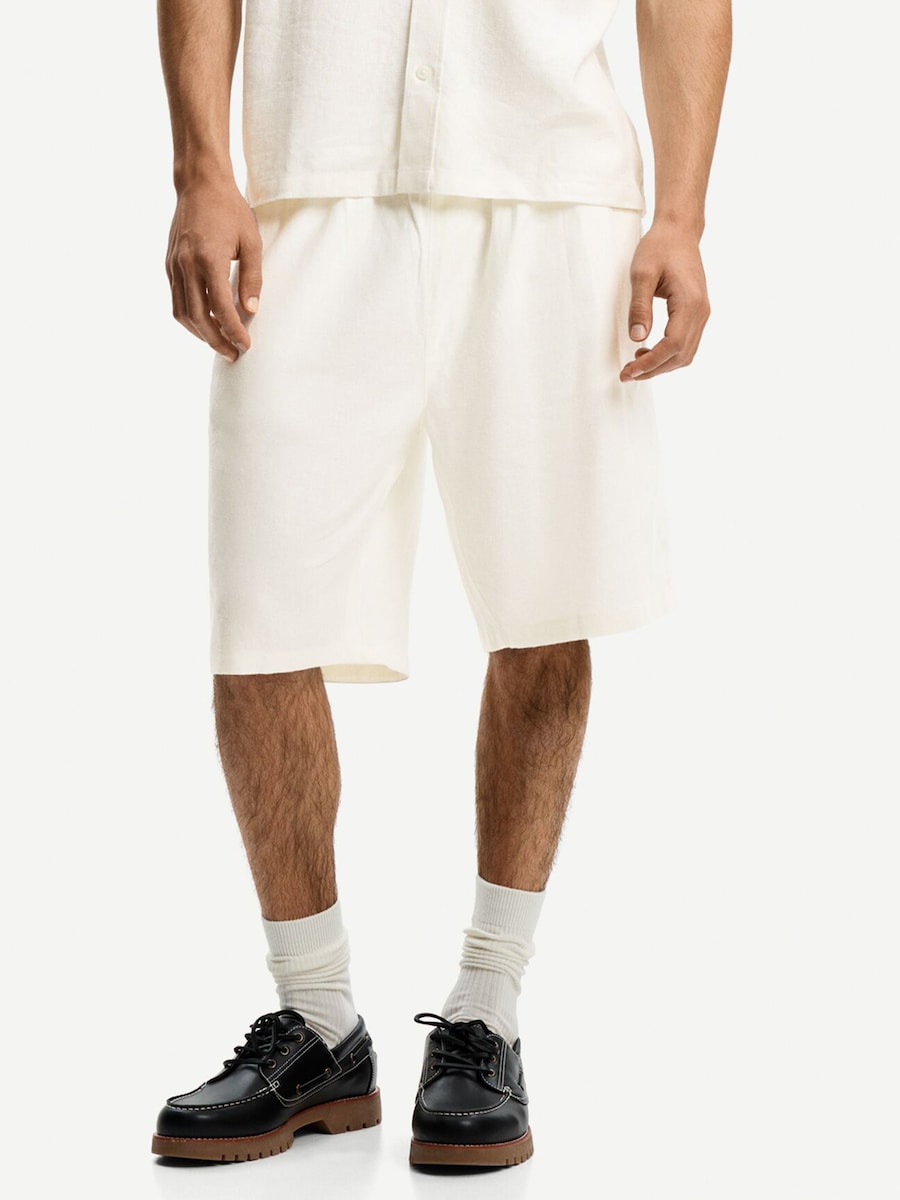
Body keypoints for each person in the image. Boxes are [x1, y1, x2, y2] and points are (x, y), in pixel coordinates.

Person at [151, 0, 731, 1169]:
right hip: (311, 181)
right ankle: (317, 1018)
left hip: (550, 185)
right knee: (260, 611)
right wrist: (202, 169)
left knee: (549, 601)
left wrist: (681, 212)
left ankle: (487, 1010)